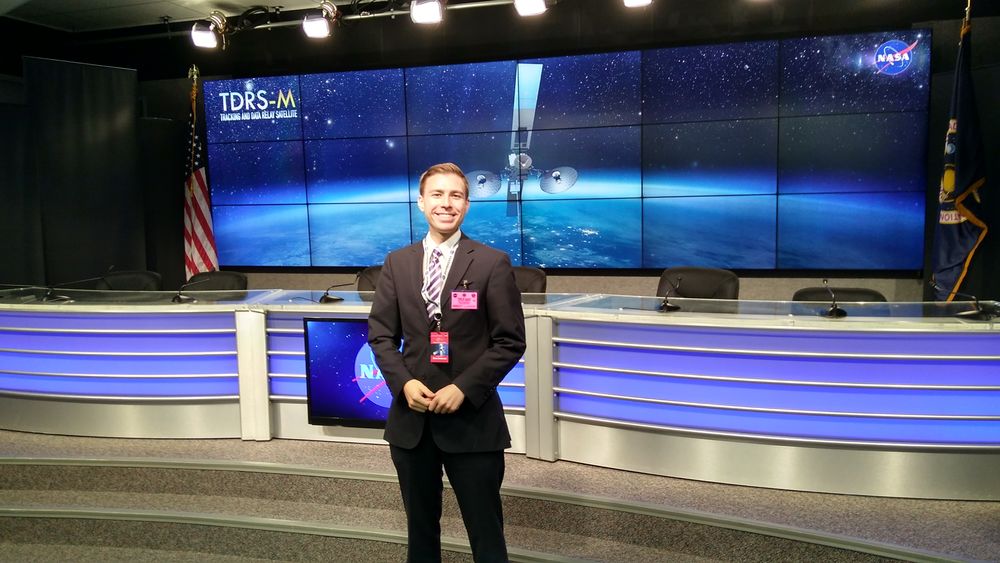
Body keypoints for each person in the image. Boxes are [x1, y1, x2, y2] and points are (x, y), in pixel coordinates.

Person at [368, 162, 526, 562]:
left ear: (466, 205)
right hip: (412, 424)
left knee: (486, 533)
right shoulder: (397, 263)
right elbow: (382, 336)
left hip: (471, 423)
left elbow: (509, 341)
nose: (446, 203)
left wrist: (464, 388)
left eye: (455, 195)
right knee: (421, 535)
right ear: (421, 202)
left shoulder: (492, 263)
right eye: (437, 194)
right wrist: (403, 383)